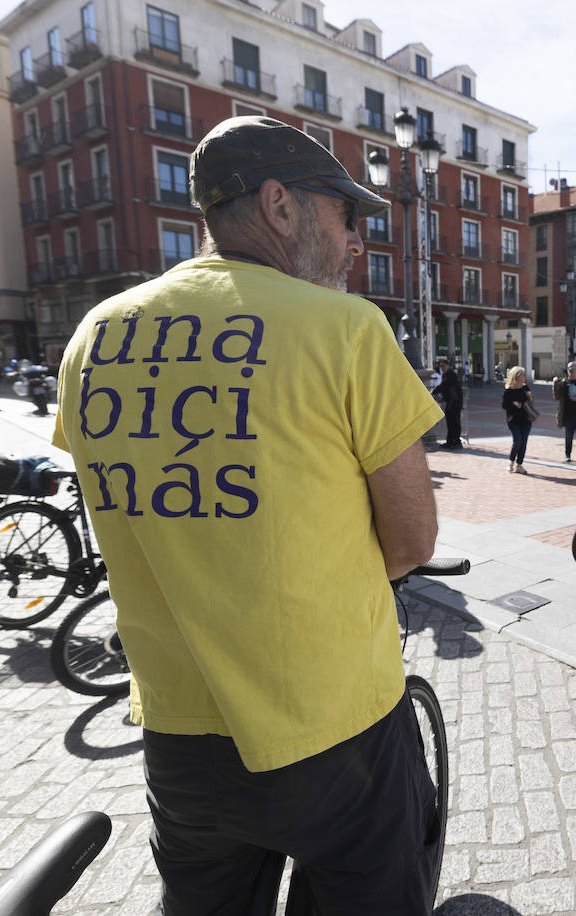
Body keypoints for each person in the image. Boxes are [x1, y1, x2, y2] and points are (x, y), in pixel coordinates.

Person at [51, 115, 443, 913]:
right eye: (345, 215)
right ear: (280, 206)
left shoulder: (93, 337)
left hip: (179, 731)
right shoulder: (346, 329)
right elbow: (411, 539)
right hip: (335, 726)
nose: (356, 242)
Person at [502, 365, 534, 474]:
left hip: (526, 419)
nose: (525, 377)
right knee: (517, 441)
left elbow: (530, 403)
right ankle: (511, 462)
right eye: (523, 375)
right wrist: (513, 403)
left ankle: (519, 465)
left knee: (523, 442)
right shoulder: (508, 390)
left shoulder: (525, 388)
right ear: (516, 376)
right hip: (513, 420)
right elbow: (504, 405)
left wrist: (530, 397)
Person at [434, 357, 463, 449]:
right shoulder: (446, 374)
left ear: (448, 365)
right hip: (451, 401)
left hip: (455, 402)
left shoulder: (451, 374)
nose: (441, 367)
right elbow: (445, 388)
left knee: (455, 422)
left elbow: (445, 386)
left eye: (443, 365)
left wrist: (434, 392)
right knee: (450, 422)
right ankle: (450, 441)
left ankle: (456, 442)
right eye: (440, 366)